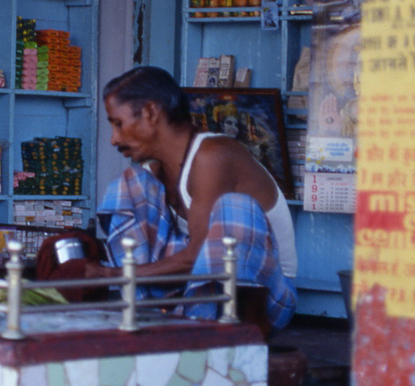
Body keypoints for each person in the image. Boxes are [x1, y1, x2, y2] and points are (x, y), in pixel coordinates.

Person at [90, 66, 297, 330]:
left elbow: (197, 255)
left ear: (151, 113)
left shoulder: (215, 154)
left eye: (118, 124)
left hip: (268, 301)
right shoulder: (153, 173)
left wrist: (112, 274)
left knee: (235, 207)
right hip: (197, 287)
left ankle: (226, 333)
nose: (114, 139)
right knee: (128, 186)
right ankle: (150, 317)